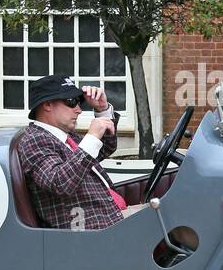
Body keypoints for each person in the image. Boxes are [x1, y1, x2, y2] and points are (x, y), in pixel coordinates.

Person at [18, 74, 138, 230]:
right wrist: (92, 136)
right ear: (47, 104)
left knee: (174, 211)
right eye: (71, 102)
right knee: (174, 216)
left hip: (110, 217)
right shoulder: (34, 140)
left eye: (79, 102)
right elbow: (60, 183)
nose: (79, 110)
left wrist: (102, 109)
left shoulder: (62, 135)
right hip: (93, 233)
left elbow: (104, 148)